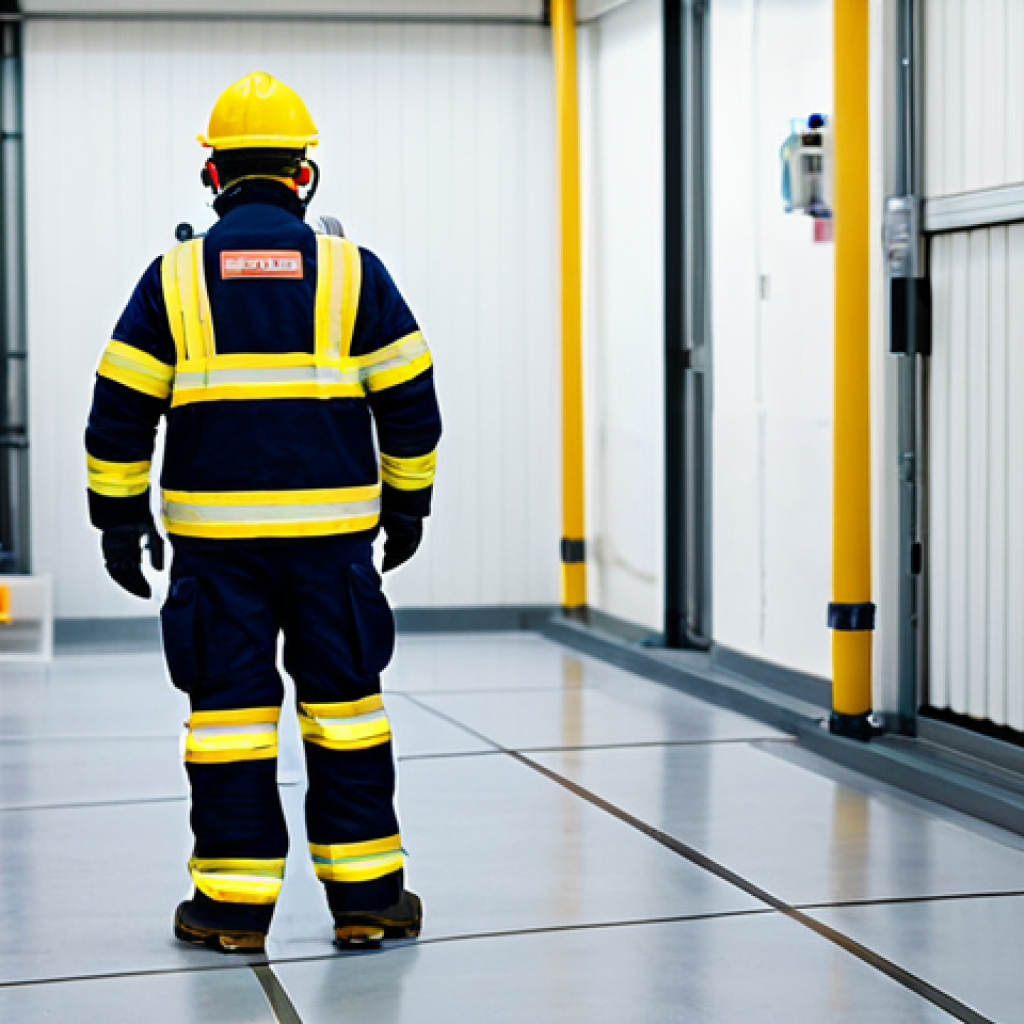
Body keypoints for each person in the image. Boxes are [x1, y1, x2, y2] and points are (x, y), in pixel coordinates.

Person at [84, 71, 441, 954]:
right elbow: (411, 399)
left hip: (217, 557)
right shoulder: (355, 272)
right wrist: (409, 505)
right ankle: (367, 901)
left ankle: (231, 911)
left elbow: (119, 409)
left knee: (230, 722)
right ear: (303, 175)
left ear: (212, 177)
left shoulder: (171, 279)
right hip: (333, 553)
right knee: (348, 712)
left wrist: (118, 523)